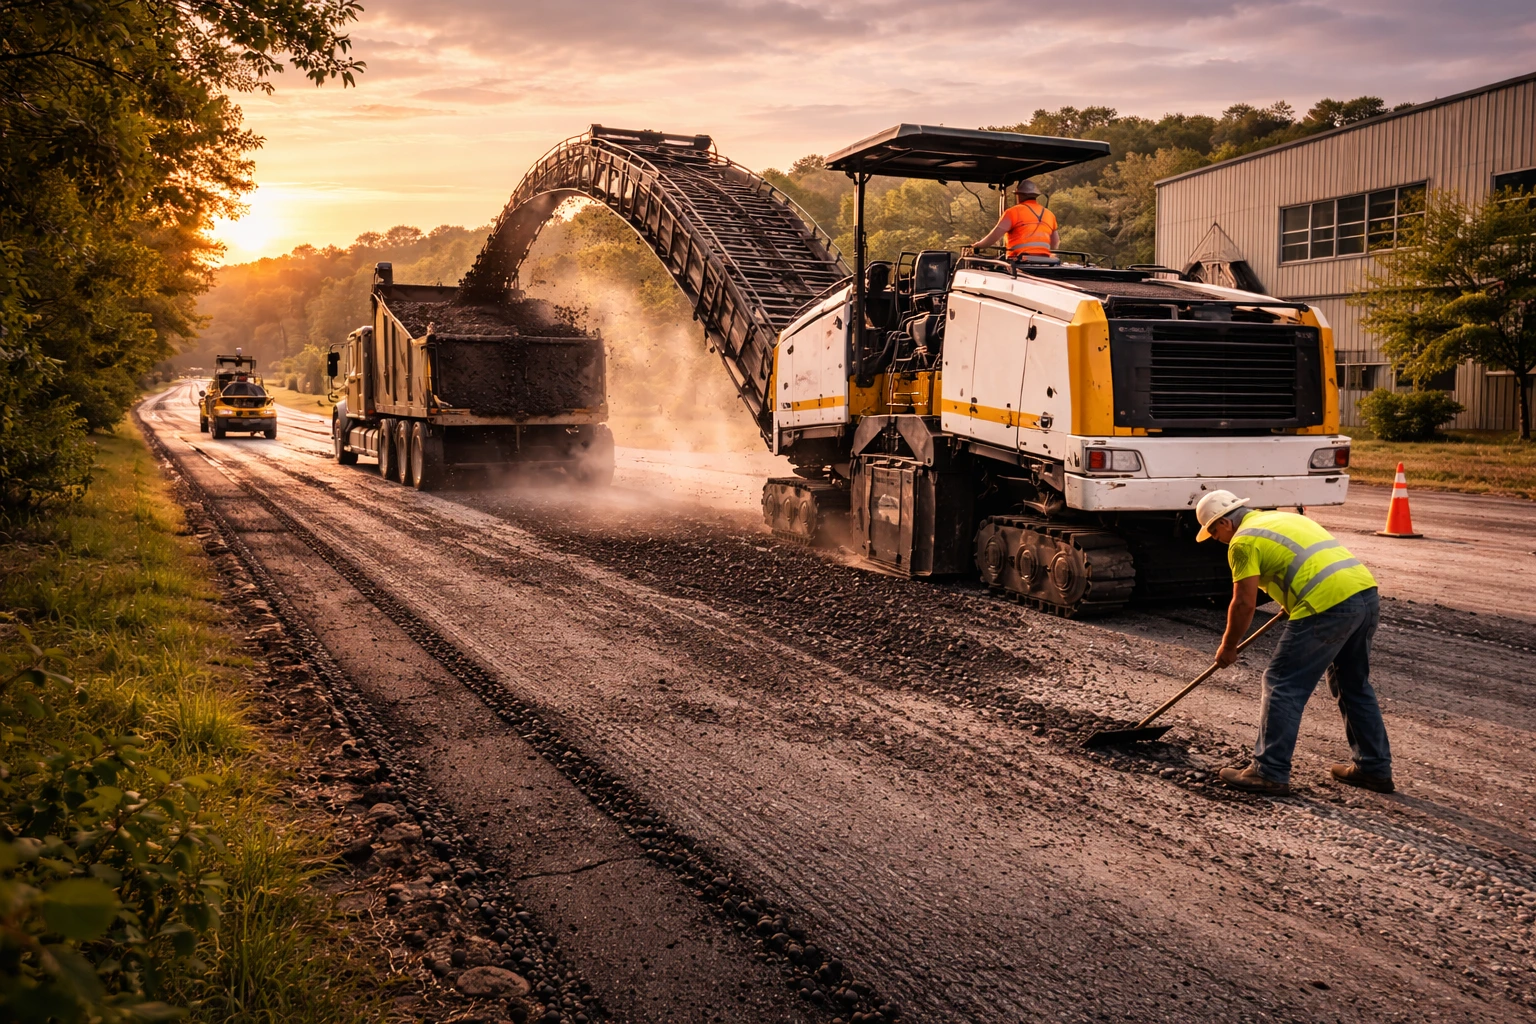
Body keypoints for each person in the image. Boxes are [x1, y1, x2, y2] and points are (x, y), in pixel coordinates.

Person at [1193, 490, 1394, 796]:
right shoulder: (1282, 519)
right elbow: (1305, 562)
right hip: (1365, 596)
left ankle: (1269, 771)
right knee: (1353, 684)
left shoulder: (1242, 542)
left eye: (1213, 533)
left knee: (1281, 683)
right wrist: (1291, 600)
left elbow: (1244, 603)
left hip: (1327, 604)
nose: (1216, 540)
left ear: (1224, 523)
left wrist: (1229, 645)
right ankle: (1374, 768)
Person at [973, 180, 1059, 259]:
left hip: (1019, 260)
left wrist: (978, 245)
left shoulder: (1013, 212)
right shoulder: (1050, 214)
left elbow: (994, 236)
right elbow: (1055, 243)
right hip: (1044, 261)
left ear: (1021, 195)